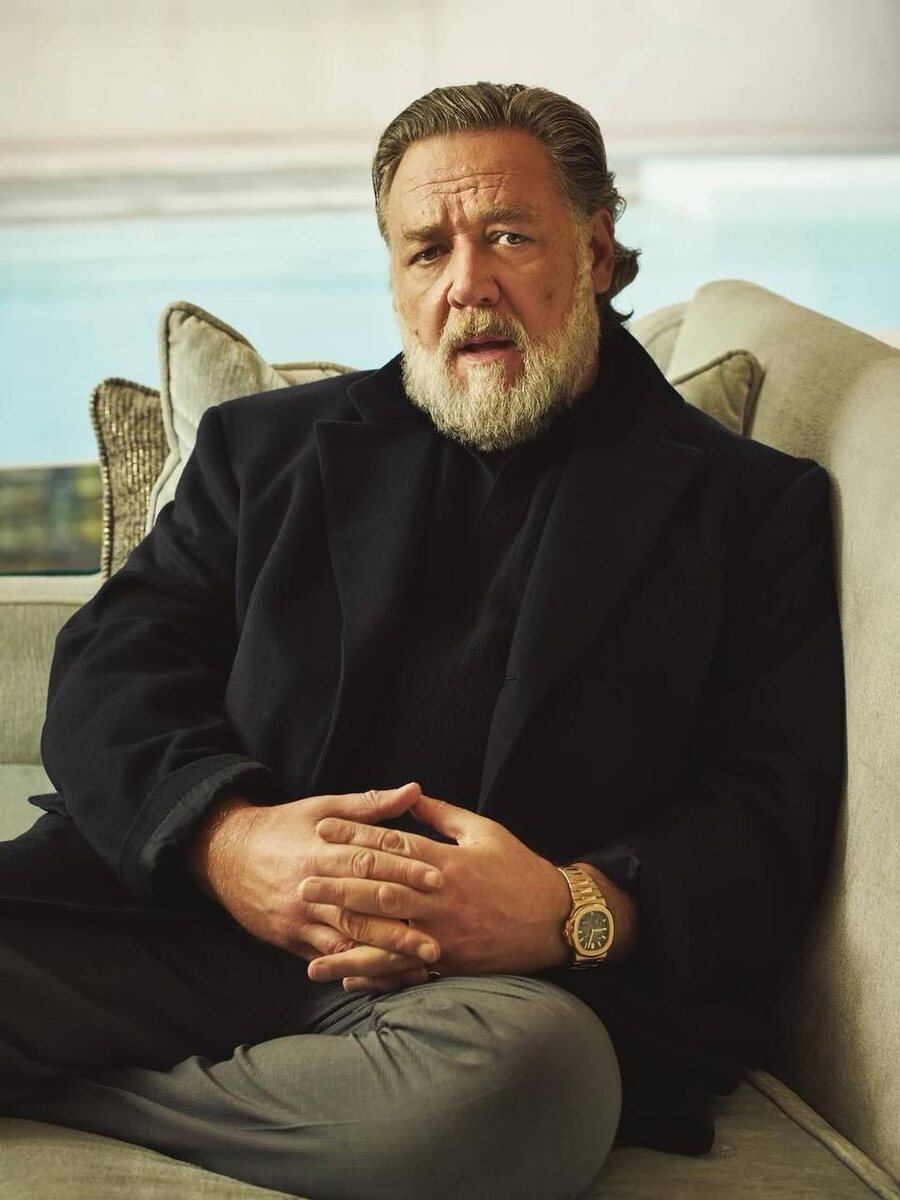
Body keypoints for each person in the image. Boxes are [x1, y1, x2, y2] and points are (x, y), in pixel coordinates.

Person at [0, 82, 843, 1199]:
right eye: (427, 250)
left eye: (508, 237)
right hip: (189, 927)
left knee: (524, 1092)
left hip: (486, 998)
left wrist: (568, 906)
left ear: (595, 251)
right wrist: (227, 844)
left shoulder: (752, 507)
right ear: (396, 275)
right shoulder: (262, 451)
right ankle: (262, 1096)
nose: (467, 285)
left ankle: (78, 1092)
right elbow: (111, 670)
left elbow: (769, 806)